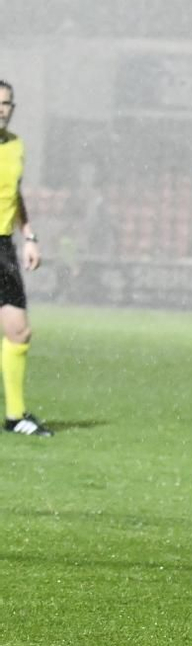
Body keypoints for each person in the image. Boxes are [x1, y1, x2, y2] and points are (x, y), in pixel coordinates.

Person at [0, 81, 49, 436]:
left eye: (6, 104)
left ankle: (16, 417)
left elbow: (15, 195)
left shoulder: (16, 146)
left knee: (19, 331)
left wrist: (29, 236)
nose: (1, 109)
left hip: (3, 247)